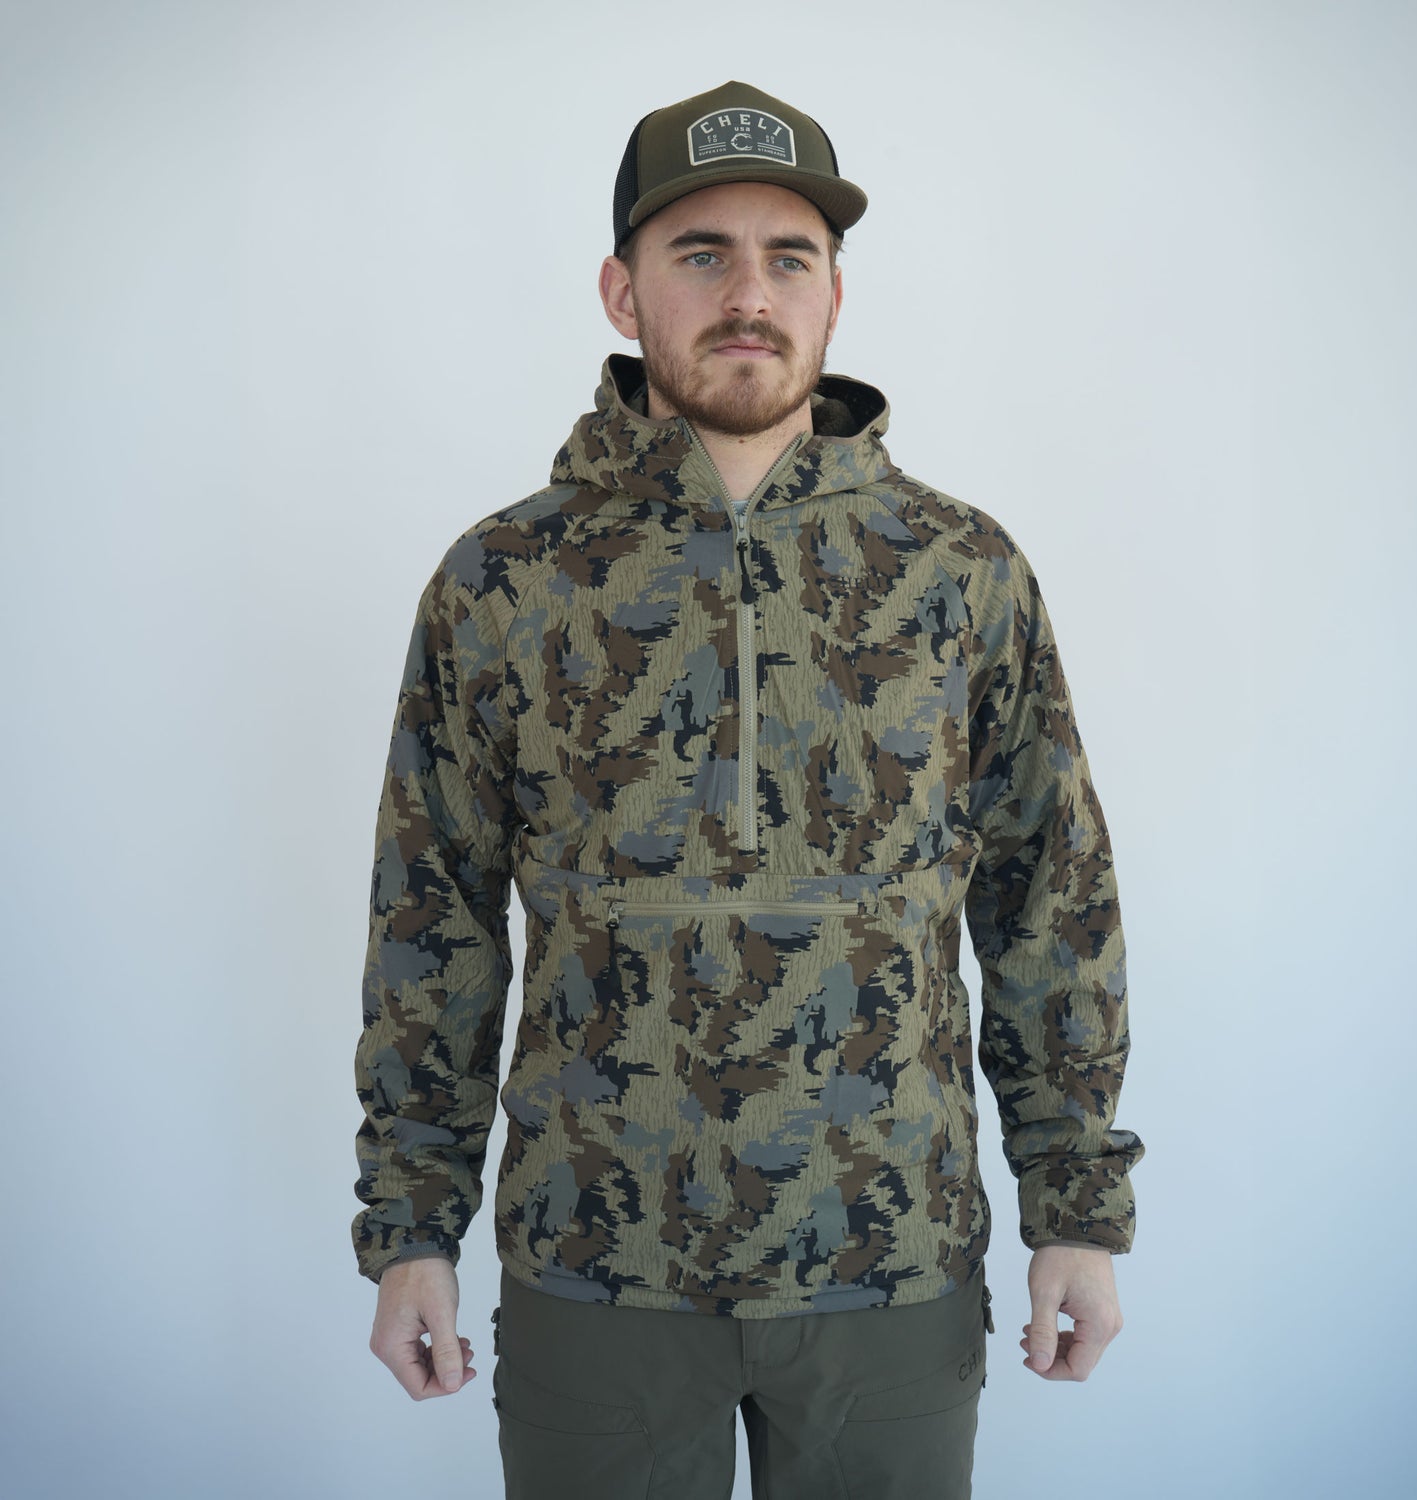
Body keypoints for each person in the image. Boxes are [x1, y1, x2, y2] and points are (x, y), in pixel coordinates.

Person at [353, 80, 1143, 1499]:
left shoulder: (959, 572)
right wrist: (413, 1229)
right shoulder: (505, 580)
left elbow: (1049, 896)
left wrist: (1073, 1208)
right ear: (623, 290)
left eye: (790, 256)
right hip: (595, 1271)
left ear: (835, 293)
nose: (749, 296)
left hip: (889, 1266)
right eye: (701, 253)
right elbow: (434, 915)